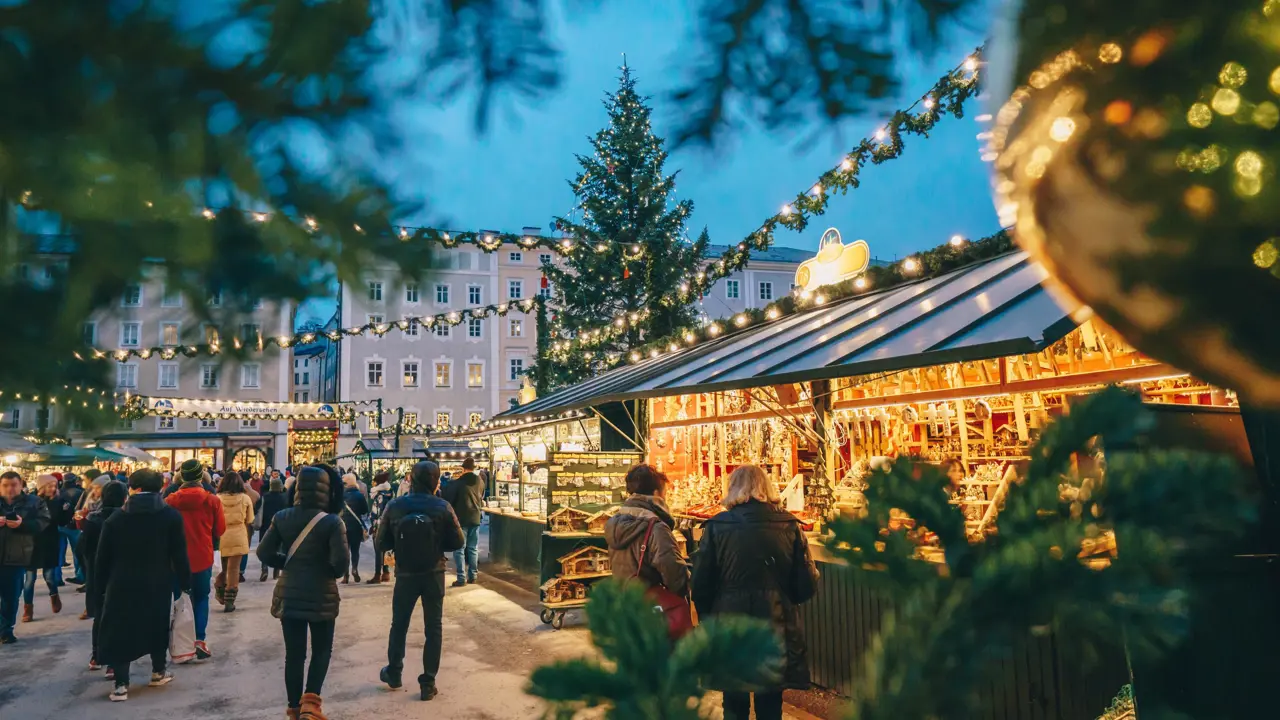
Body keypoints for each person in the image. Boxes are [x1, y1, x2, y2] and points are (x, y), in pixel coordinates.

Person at [691, 464, 820, 720]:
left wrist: (709, 616)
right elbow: (806, 583)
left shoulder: (717, 526)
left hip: (729, 623)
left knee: (734, 699)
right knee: (770, 698)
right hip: (775, 620)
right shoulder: (790, 525)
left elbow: (700, 583)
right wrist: (784, 600)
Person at [256, 466, 349, 720]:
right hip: (322, 594)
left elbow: (263, 553)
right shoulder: (332, 521)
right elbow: (341, 564)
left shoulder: (283, 516)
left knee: (294, 655)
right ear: (327, 490)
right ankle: (311, 703)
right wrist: (326, 570)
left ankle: (294, 708)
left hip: (290, 592)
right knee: (321, 650)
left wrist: (285, 561)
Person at [94, 469, 190, 702]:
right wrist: (185, 583)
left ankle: (120, 684)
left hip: (121, 580)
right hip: (157, 580)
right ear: (160, 488)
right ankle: (158, 671)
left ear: (132, 488)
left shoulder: (116, 518)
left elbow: (102, 557)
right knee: (157, 623)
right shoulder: (170, 516)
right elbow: (179, 554)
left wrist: (99, 586)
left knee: (121, 627)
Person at [375, 461, 465, 701]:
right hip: (433, 572)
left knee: (399, 624)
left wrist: (401, 545)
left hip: (405, 574)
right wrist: (435, 545)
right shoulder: (443, 506)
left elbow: (380, 542)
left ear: (412, 479)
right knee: (433, 627)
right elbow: (459, 542)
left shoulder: (395, 505)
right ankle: (428, 681)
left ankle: (394, 672)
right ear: (436, 481)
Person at [166, 461, 226, 660]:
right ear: (201, 477)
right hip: (202, 556)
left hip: (175, 559)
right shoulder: (212, 500)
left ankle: (181, 643)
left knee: (180, 599)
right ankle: (199, 639)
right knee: (200, 598)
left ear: (181, 477)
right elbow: (220, 530)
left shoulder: (171, 500)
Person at [604, 464, 690, 603]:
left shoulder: (615, 523)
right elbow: (673, 572)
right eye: (665, 493)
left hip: (623, 602)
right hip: (651, 606)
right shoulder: (656, 527)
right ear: (656, 494)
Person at [80, 480, 126, 671]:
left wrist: (89, 563)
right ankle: (114, 664)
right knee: (120, 617)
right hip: (120, 573)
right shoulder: (125, 518)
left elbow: (81, 547)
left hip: (97, 573)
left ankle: (96, 655)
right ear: (124, 498)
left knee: (100, 616)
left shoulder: (93, 518)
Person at [0, 470, 51, 644]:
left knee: (11, 595)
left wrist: (23, 524)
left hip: (17, 556)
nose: (9, 489)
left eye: (13, 485)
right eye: (5, 485)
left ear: (21, 484)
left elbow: (43, 522)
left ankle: (6, 630)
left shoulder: (34, 502)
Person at [23, 474, 64, 622]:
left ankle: (54, 596)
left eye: (55, 485)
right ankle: (28, 609)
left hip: (50, 542)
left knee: (50, 577)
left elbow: (61, 521)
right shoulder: (30, 501)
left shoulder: (58, 501)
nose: (53, 488)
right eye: (49, 485)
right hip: (32, 543)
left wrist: (67, 510)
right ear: (42, 486)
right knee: (29, 579)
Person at [440, 457, 485, 587]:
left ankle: (461, 578)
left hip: (461, 519)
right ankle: (473, 576)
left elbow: (449, 499)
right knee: (473, 548)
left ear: (463, 468)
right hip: (476, 518)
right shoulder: (480, 481)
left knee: (459, 549)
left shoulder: (458, 483)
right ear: (474, 468)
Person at [215, 471, 254, 612]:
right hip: (238, 534)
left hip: (222, 535)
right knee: (234, 569)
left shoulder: (217, 498)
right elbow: (250, 519)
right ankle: (230, 600)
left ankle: (219, 586)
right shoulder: (245, 498)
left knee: (223, 567)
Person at [257, 474, 289, 582]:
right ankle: (276, 572)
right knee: (279, 547)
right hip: (281, 525)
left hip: (266, 525)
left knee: (265, 546)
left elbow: (259, 510)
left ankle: (264, 569)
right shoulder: (284, 497)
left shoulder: (265, 497)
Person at [339, 474, 370, 584]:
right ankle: (355, 569)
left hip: (343, 525)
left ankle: (345, 575)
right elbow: (364, 511)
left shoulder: (341, 496)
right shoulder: (359, 495)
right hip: (356, 526)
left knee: (345, 551)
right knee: (355, 550)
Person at [57, 473, 85, 585]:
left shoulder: (59, 492)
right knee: (77, 552)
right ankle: (80, 575)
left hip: (60, 525)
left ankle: (57, 578)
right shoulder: (80, 492)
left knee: (58, 552)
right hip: (74, 525)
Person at [366, 471, 394, 585]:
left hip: (379, 525)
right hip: (389, 524)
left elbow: (376, 512)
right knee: (387, 548)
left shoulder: (379, 495)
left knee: (378, 550)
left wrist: (373, 526)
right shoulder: (390, 492)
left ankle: (377, 574)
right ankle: (386, 573)